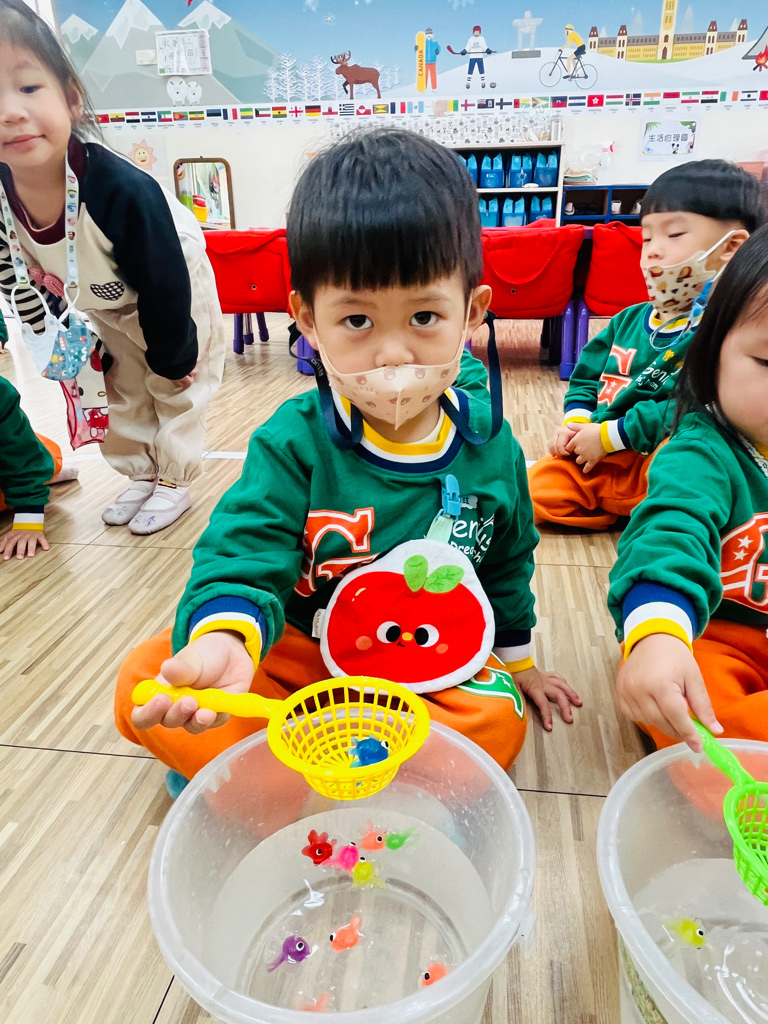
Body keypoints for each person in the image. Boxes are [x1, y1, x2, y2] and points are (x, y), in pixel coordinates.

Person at [115, 129, 580, 790]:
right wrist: (225, 638)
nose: (393, 353)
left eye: (424, 316)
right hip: (303, 651)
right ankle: (330, 769)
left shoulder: (491, 445)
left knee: (496, 720)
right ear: (307, 318)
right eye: (357, 321)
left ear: (472, 312)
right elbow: (244, 547)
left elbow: (507, 560)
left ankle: (274, 774)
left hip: (427, 660)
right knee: (145, 676)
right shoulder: (293, 440)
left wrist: (519, 660)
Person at [0, 0, 225, 535]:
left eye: (28, 87)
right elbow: (14, 270)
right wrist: (53, 332)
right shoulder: (3, 194)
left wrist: (174, 355)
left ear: (71, 98)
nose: (9, 111)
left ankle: (173, 478)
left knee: (175, 383)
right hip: (99, 299)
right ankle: (141, 472)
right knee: (120, 385)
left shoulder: (121, 189)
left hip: (170, 285)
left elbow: (164, 281)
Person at [528, 160, 761, 530]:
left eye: (674, 234)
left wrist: (610, 436)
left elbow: (691, 406)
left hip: (661, 451)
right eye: (647, 237)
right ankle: (625, 506)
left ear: (730, 247)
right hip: (602, 449)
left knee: (687, 472)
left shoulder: (723, 333)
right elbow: (585, 378)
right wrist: (577, 424)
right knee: (534, 492)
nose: (651, 251)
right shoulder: (627, 320)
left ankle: (648, 509)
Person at [608, 226, 768, 754]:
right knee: (700, 715)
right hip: (711, 633)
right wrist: (658, 634)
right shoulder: (704, 452)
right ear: (713, 349)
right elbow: (668, 535)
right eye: (767, 364)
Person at [0, 374, 78, 558]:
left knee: (44, 458)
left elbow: (21, 453)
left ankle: (46, 474)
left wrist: (28, 519)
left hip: (18, 455)